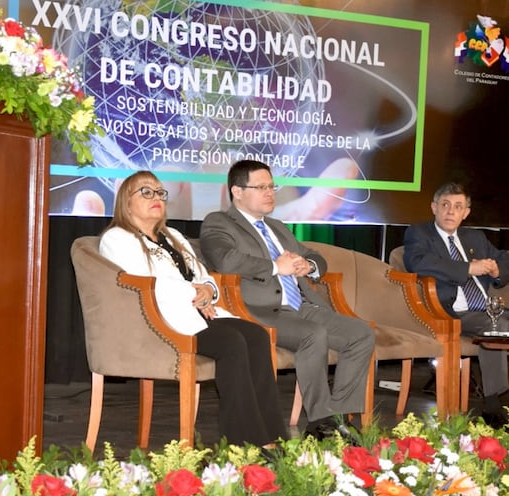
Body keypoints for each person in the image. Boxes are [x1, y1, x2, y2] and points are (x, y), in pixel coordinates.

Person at [98, 170, 288, 448]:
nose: (156, 198)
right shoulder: (117, 239)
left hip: (197, 313)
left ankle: (272, 437)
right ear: (126, 202)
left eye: (160, 193)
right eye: (146, 192)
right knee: (232, 343)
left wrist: (208, 290)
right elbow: (143, 284)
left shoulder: (173, 235)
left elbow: (203, 274)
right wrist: (195, 294)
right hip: (160, 322)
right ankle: (243, 443)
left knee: (256, 335)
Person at [199, 159, 375, 440]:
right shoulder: (218, 222)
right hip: (257, 310)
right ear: (237, 191)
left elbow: (314, 255)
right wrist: (274, 266)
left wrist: (309, 265)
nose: (270, 192)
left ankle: (338, 416)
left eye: (272, 186)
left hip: (300, 305)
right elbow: (225, 259)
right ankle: (320, 419)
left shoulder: (277, 227)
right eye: (261, 187)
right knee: (312, 334)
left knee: (361, 333)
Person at [403, 182, 509, 427]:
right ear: (434, 207)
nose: (451, 212)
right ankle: (494, 403)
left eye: (458, 207)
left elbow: (503, 257)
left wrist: (496, 269)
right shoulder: (419, 234)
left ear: (466, 213)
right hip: (448, 311)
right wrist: (467, 268)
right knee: (498, 324)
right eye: (445, 205)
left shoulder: (474, 237)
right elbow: (417, 263)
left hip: (485, 308)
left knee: (496, 322)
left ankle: (495, 398)